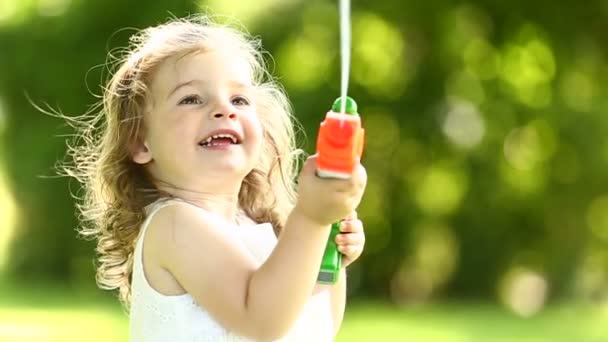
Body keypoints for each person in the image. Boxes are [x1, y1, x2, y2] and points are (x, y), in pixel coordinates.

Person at [63, 14, 367, 341]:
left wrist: (327, 255)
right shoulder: (174, 225)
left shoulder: (260, 233)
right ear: (140, 141)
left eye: (239, 99)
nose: (225, 109)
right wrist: (311, 219)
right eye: (191, 99)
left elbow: (312, 328)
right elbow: (261, 321)